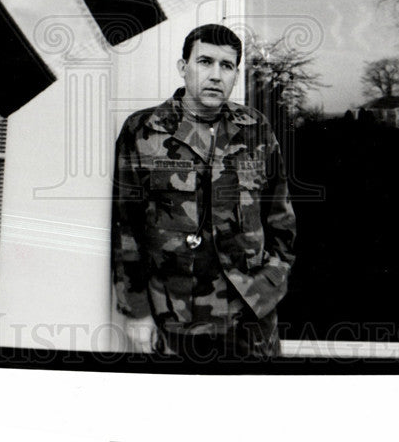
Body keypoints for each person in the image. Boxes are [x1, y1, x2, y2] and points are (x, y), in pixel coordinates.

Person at [111, 23, 296, 361]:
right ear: (183, 68)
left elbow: (281, 219)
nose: (215, 75)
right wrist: (136, 312)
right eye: (205, 62)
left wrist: (269, 285)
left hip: (251, 319)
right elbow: (126, 229)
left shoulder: (256, 129)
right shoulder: (143, 131)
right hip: (175, 320)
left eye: (226, 66)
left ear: (236, 75)